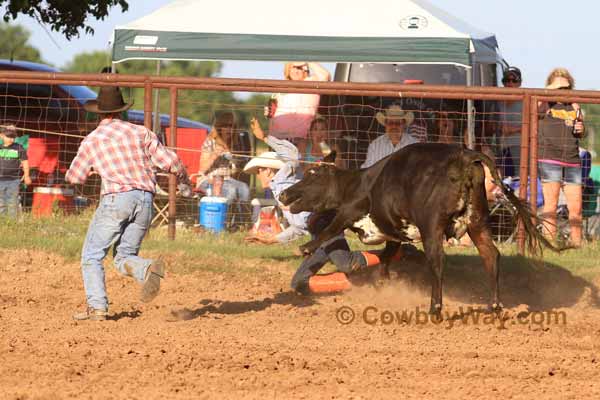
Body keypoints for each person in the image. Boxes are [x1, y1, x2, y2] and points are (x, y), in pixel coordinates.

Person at [65, 86, 191, 321]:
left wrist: (94, 169)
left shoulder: (92, 140)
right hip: (145, 200)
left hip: (117, 198)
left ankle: (98, 307)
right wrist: (185, 182)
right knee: (123, 256)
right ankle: (147, 268)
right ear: (121, 111)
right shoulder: (140, 132)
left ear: (99, 113)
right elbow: (171, 161)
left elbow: (74, 176)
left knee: (91, 255)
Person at [538, 68, 585, 247]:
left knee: (576, 208)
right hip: (550, 159)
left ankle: (576, 245)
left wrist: (582, 130)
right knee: (550, 206)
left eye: (566, 88)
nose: (562, 92)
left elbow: (581, 131)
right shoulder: (545, 103)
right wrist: (551, 87)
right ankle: (550, 245)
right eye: (559, 88)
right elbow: (534, 109)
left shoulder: (575, 106)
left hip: (573, 160)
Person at [196, 111, 251, 226]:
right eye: (225, 126)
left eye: (231, 126)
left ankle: (242, 224)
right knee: (230, 190)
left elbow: (237, 169)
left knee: (244, 188)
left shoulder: (235, 143)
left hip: (227, 179)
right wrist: (215, 154)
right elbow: (202, 169)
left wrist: (236, 161)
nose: (229, 129)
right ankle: (222, 224)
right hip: (208, 179)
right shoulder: (210, 142)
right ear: (219, 127)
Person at [267, 62, 331, 141]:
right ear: (288, 69)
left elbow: (325, 76)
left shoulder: (311, 82)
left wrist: (307, 60)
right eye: (293, 67)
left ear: (305, 69)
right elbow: (271, 115)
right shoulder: (281, 87)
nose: (296, 71)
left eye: (299, 68)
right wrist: (271, 139)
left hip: (301, 139)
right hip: (279, 138)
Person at [361, 104, 419, 168]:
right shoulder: (375, 145)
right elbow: (368, 171)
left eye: (398, 123)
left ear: (404, 125)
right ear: (385, 125)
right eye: (390, 123)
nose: (394, 126)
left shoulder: (415, 145)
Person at [497, 66, 523, 176]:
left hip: (520, 147)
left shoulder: (526, 101)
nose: (510, 83)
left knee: (519, 177)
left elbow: (532, 125)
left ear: (519, 83)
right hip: (500, 147)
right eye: (507, 80)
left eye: (514, 80)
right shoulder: (498, 102)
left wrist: (512, 129)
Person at [0, 125, 31, 217]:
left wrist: (27, 175)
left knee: (13, 200)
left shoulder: (19, 148)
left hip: (14, 180)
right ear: (1, 135)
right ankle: (2, 219)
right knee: (1, 201)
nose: (11, 139)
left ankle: (13, 220)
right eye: (8, 137)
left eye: (13, 137)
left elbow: (25, 162)